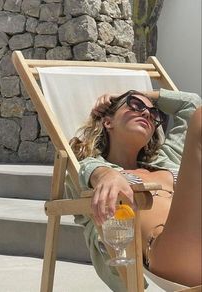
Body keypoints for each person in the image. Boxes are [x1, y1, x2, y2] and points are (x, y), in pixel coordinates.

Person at [65, 89, 201, 291]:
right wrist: (107, 176)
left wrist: (133, 94)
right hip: (172, 253)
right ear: (107, 121)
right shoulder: (96, 169)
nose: (147, 113)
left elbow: (191, 103)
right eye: (135, 105)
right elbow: (90, 171)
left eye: (153, 113)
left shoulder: (168, 159)